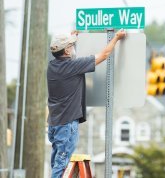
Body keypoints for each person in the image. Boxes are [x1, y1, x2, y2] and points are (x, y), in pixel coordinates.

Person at [47, 29, 126, 178]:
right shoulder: (72, 67)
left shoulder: (52, 67)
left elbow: (68, 58)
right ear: (67, 50)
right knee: (61, 164)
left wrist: (72, 39)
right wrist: (116, 38)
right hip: (67, 125)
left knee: (57, 163)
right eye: (70, 46)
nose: (72, 47)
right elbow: (103, 55)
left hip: (55, 123)